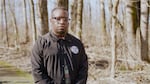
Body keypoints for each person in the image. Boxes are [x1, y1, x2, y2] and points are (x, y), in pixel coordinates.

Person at [31, 7, 88, 84]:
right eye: (58, 19)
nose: (62, 22)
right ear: (51, 21)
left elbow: (83, 69)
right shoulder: (41, 44)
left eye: (65, 19)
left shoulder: (77, 43)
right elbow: (37, 71)